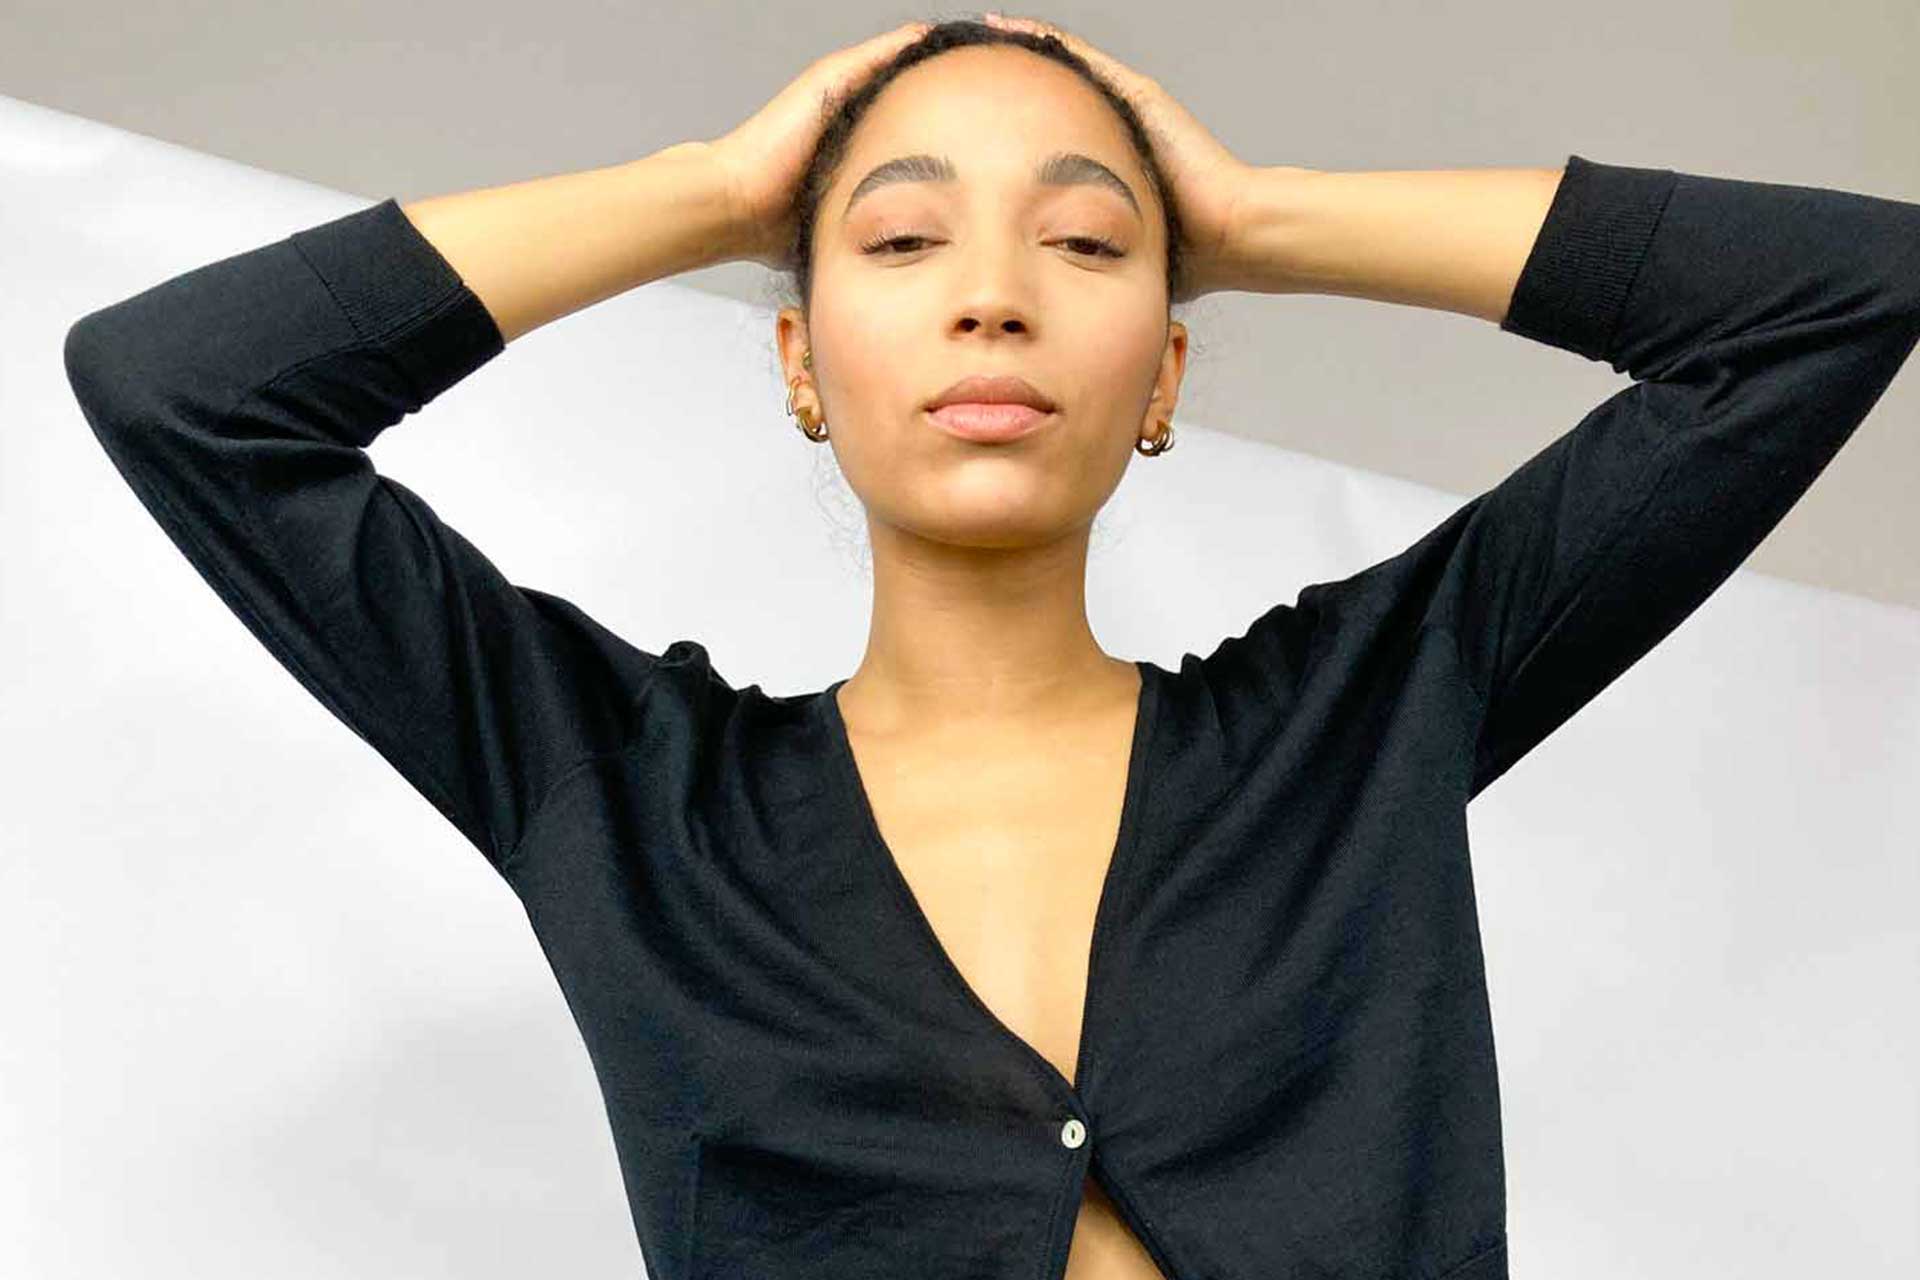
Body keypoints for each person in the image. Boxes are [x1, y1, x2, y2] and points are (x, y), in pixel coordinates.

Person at [64, 13, 1918, 1280]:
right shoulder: (620, 793)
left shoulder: (1368, 717)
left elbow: (1839, 296)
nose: (991, 293)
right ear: (798, 361)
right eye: (897, 242)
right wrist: (722, 187)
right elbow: (182, 391)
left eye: (1088, 247)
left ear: (1166, 376)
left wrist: (1253, 214)